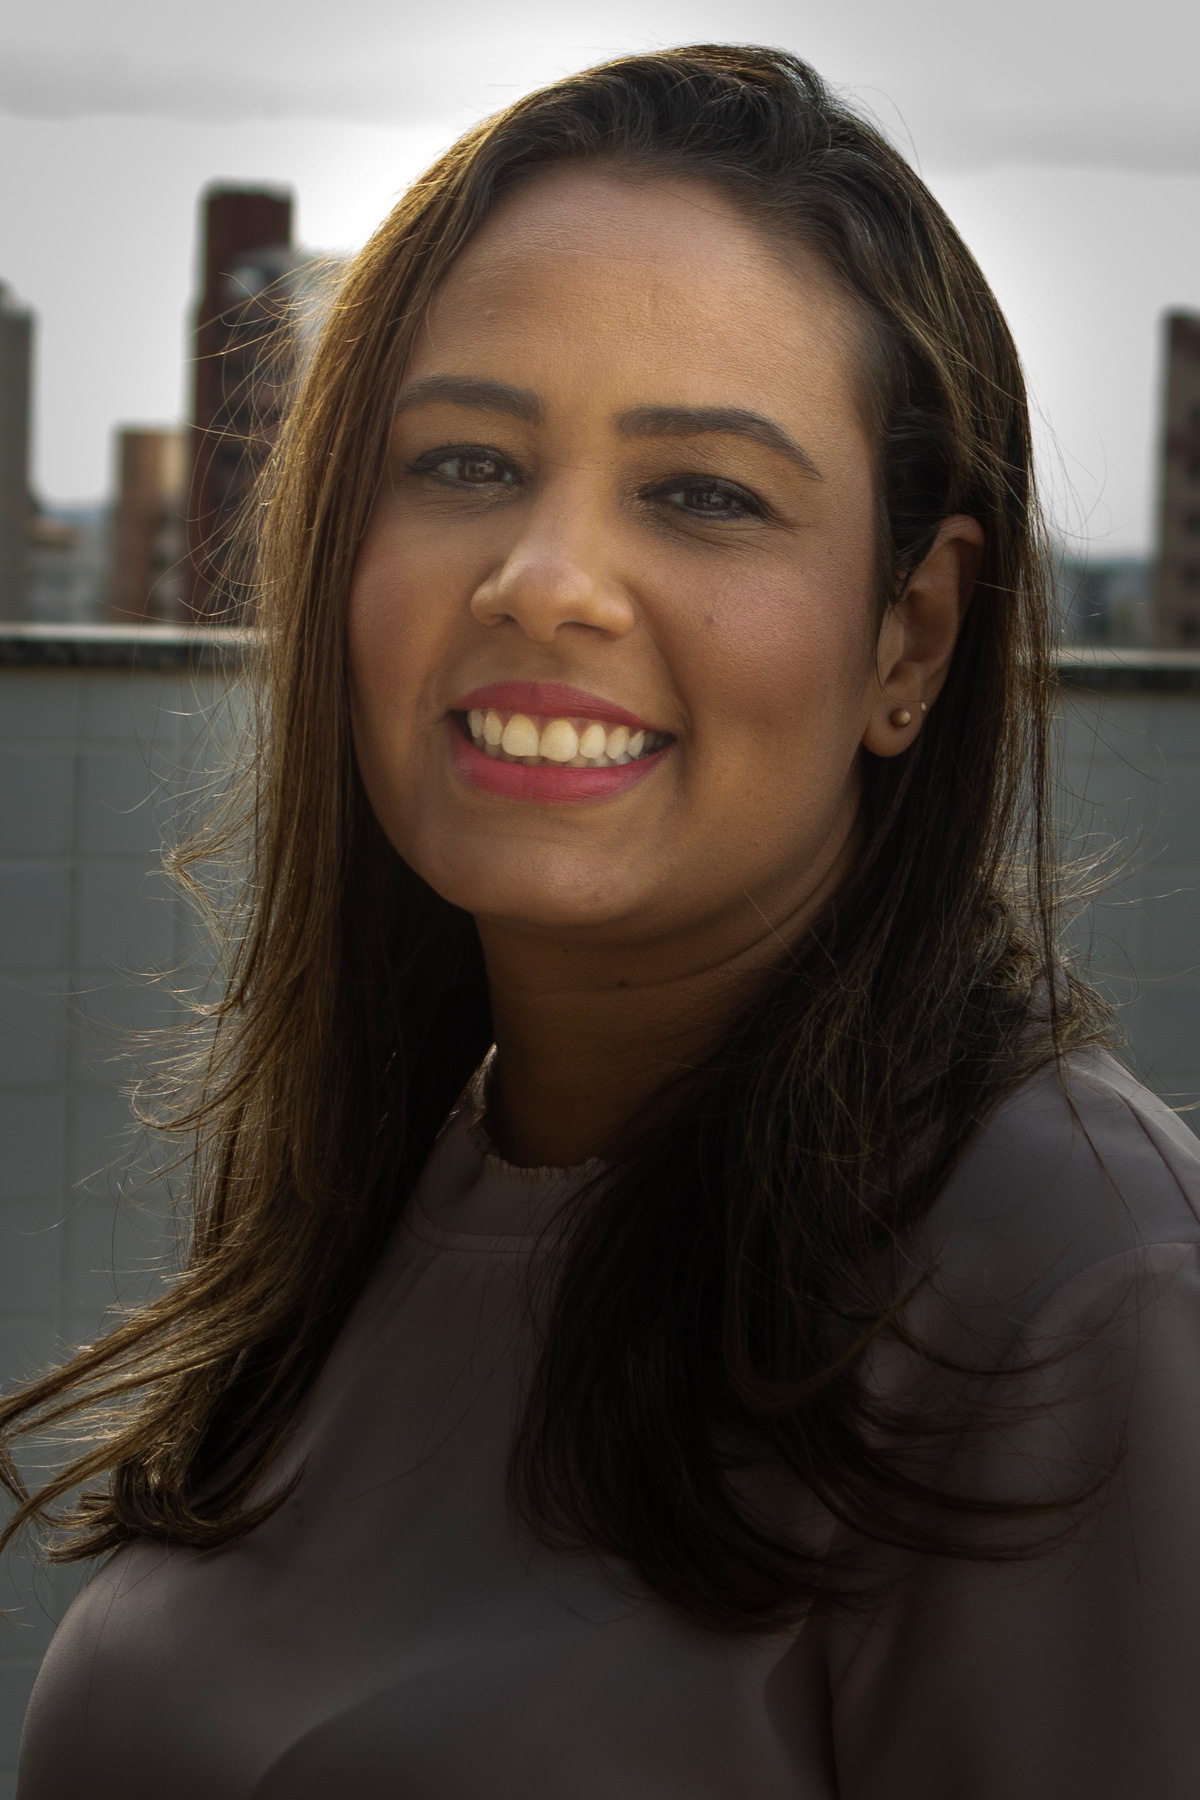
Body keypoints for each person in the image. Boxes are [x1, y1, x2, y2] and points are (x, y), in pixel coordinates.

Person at [7, 44, 1200, 1799]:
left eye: (703, 493)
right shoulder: (396, 1183)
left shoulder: (1083, 1294)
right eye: (465, 461)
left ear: (914, 634)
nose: (545, 580)